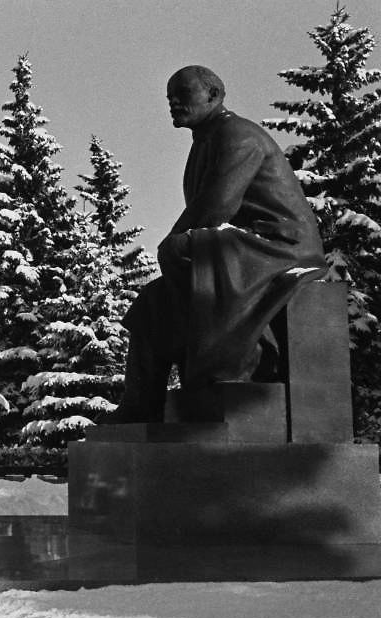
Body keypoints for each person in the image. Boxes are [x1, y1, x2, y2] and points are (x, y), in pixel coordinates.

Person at [106, 65, 327, 423]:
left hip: (280, 246)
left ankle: (234, 361)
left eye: (182, 94)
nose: (174, 103)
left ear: (213, 95)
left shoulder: (237, 134)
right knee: (154, 300)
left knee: (183, 252)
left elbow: (216, 205)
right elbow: (208, 212)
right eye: (169, 97)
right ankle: (141, 402)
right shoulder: (206, 141)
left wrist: (172, 244)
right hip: (243, 243)